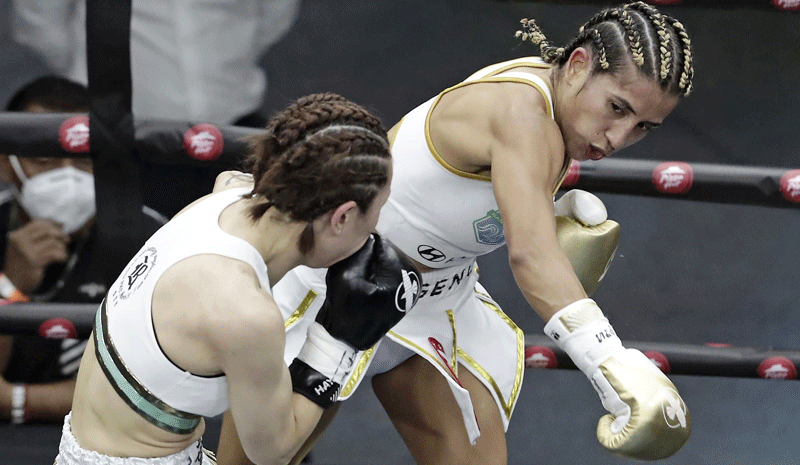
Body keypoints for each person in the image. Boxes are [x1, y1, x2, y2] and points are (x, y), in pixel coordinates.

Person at [216, 2, 695, 464]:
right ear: (578, 65)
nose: (618, 137)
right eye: (616, 108)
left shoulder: (556, 110)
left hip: (430, 303)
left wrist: (545, 214)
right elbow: (530, 257)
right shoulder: (523, 114)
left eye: (643, 127)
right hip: (330, 288)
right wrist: (607, 358)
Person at [55, 93, 421, 465]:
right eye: (378, 210)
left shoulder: (225, 200)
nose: (377, 229)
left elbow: (232, 182)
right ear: (342, 217)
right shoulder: (245, 315)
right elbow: (272, 452)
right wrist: (337, 343)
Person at [0, 76, 168, 425]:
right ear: (5, 163)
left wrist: (19, 400)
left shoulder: (151, 237)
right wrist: (10, 286)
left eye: (84, 159)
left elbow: (153, 385)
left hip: (110, 438)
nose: (68, 176)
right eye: (45, 159)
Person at [12, 0, 301, 127]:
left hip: (234, 121)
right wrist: (90, 67)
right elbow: (39, 21)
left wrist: (224, 63)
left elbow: (275, 15)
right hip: (119, 132)